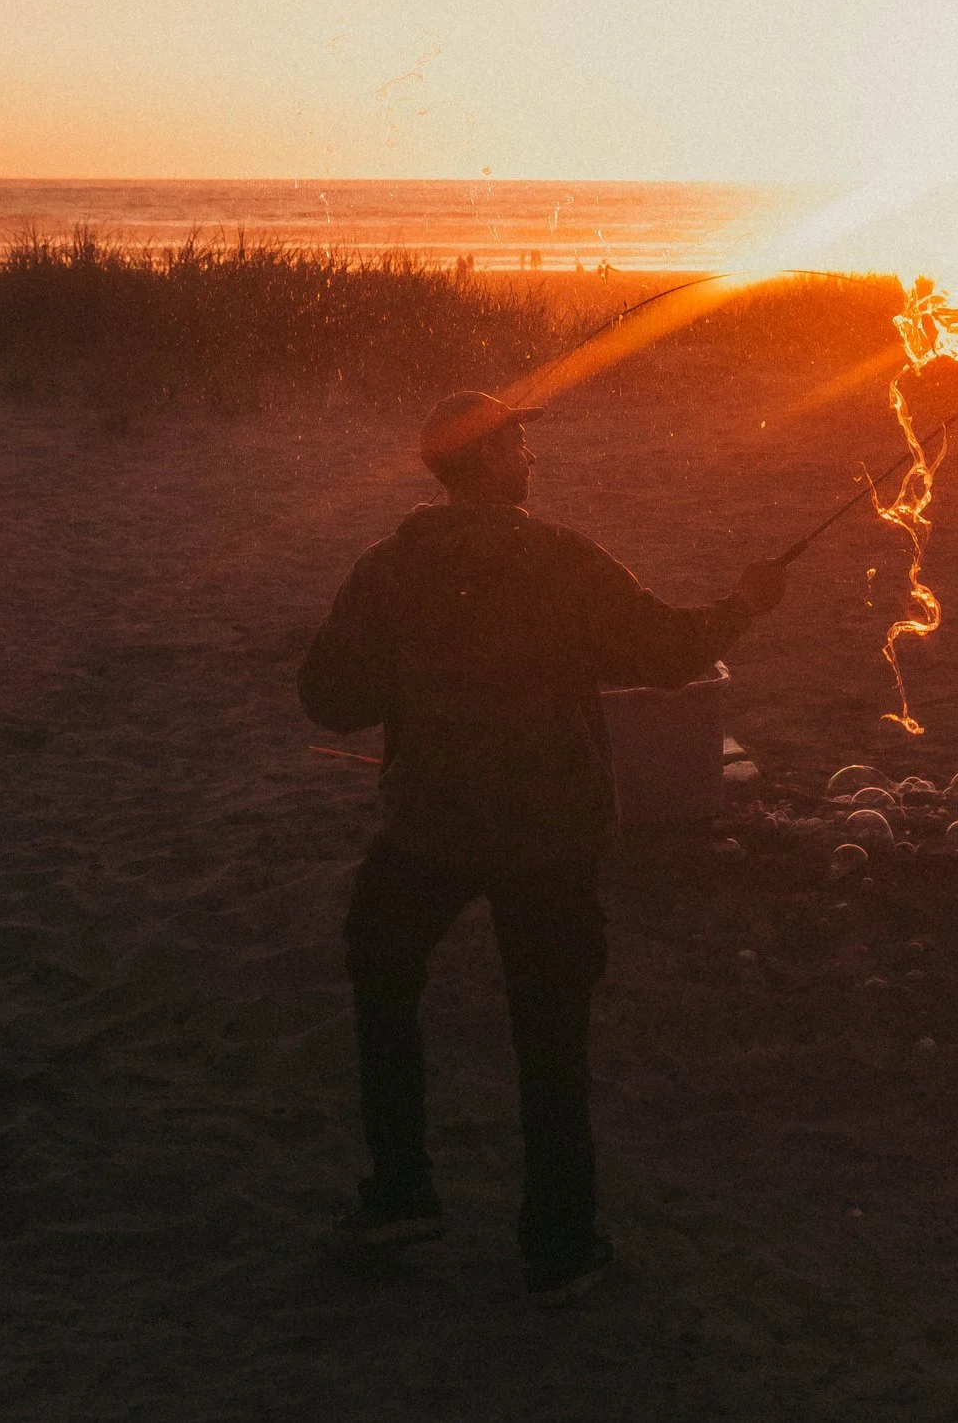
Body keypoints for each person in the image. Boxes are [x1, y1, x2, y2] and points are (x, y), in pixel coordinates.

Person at [299, 390, 787, 1304]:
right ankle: (560, 1245)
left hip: (429, 827)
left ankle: (400, 1191)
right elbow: (670, 652)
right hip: (551, 833)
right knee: (550, 1036)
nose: (532, 458)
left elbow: (328, 698)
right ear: (483, 461)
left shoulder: (388, 568)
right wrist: (747, 602)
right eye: (519, 444)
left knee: (383, 977)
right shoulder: (562, 561)